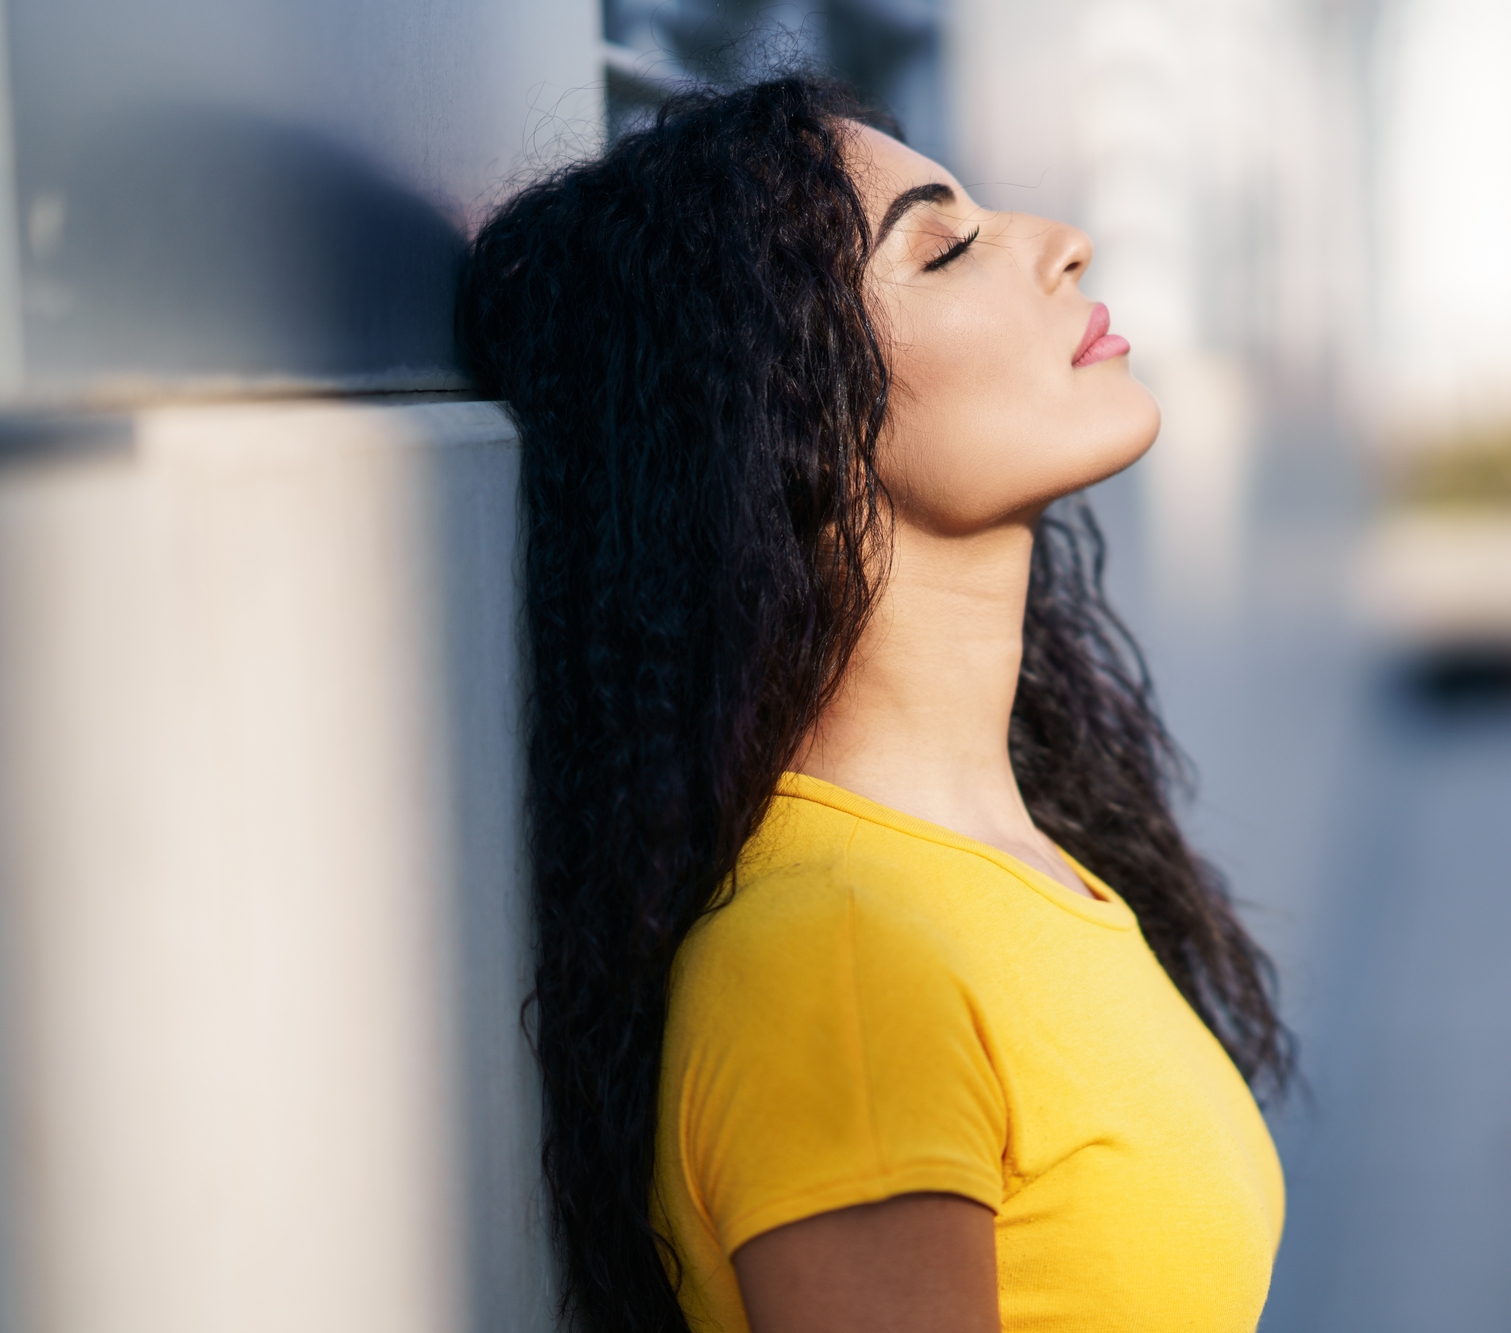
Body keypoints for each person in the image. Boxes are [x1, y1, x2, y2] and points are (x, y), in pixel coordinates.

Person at [459, 75, 1290, 1333]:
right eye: (944, 247)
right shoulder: (843, 964)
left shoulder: (994, 873)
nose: (1058, 244)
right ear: (780, 417)